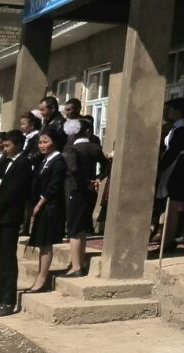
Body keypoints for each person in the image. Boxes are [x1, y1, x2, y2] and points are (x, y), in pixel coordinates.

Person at [0, 130, 30, 318]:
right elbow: (0, 186)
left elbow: (14, 191)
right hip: (0, 214)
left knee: (7, 259)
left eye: (8, 145)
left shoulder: (23, 163)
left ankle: (8, 300)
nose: (5, 148)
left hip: (10, 215)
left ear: (18, 145)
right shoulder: (6, 162)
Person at [61, 118, 105, 277]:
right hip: (91, 191)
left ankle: (76, 266)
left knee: (74, 229)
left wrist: (85, 182)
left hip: (75, 189)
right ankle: (80, 262)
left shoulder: (73, 149)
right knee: (83, 227)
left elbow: (73, 169)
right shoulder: (94, 147)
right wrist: (97, 179)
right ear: (88, 131)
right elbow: (106, 165)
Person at [25, 129, 67, 293]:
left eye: (46, 142)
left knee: (46, 243)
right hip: (42, 205)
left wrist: (40, 203)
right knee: (41, 243)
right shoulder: (44, 160)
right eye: (40, 142)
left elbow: (54, 186)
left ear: (54, 142)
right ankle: (40, 275)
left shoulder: (58, 160)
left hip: (51, 207)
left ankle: (42, 278)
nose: (42, 145)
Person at [155, 98, 184, 246]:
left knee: (172, 205)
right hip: (172, 167)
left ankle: (168, 239)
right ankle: (165, 238)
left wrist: (160, 166)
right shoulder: (175, 128)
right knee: (168, 205)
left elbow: (173, 151)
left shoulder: (182, 129)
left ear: (178, 111)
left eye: (171, 109)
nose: (168, 112)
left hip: (176, 168)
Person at [18, 111, 41, 236]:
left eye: (24, 124)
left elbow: (37, 153)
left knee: (29, 201)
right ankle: (21, 224)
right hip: (22, 169)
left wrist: (26, 159)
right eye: (21, 124)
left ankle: (25, 227)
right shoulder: (23, 137)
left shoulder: (36, 136)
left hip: (32, 170)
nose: (22, 126)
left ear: (31, 124)